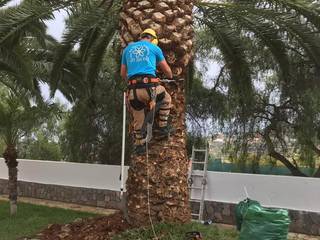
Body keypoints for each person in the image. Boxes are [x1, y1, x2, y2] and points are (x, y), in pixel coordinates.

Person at [120, 28, 173, 155]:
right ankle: (162, 127)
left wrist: (135, 79)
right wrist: (158, 77)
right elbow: (168, 72)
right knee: (166, 99)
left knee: (138, 116)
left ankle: (140, 145)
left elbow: (123, 74)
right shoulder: (154, 48)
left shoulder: (127, 49)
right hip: (150, 90)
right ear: (153, 39)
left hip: (133, 93)